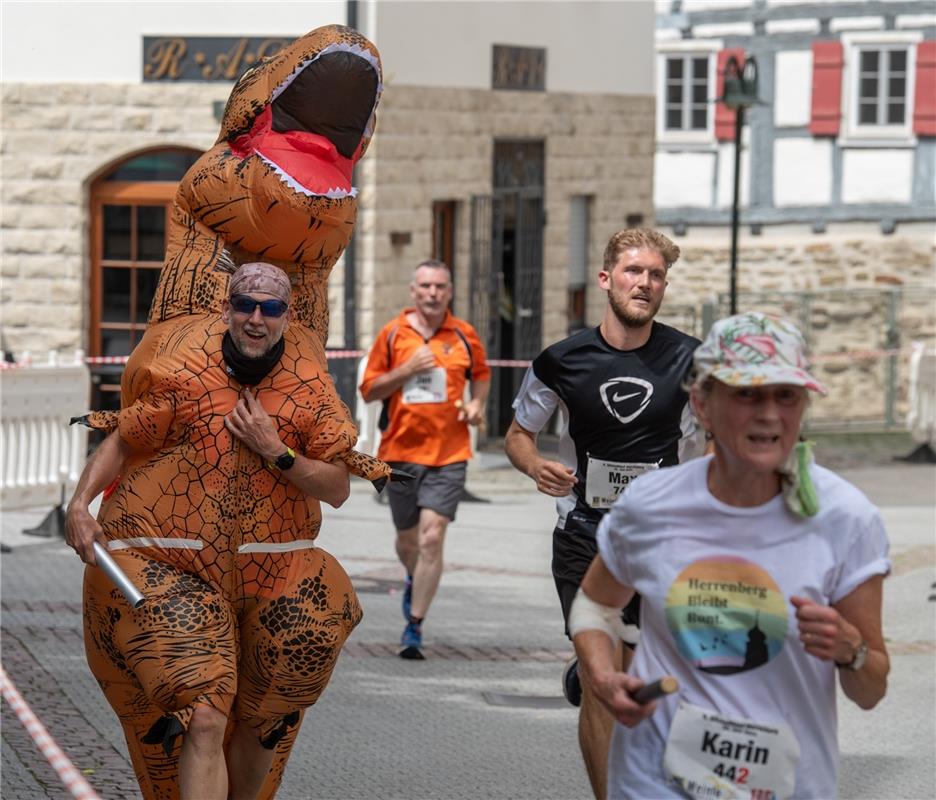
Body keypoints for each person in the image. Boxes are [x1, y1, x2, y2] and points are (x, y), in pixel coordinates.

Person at [66, 262, 379, 800]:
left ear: (286, 316)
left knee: (265, 721)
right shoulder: (187, 373)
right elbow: (124, 436)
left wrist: (275, 451)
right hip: (177, 570)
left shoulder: (309, 389)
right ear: (228, 308)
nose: (256, 319)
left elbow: (337, 487)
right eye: (245, 305)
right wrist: (78, 504)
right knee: (205, 714)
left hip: (273, 575)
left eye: (271, 308)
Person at [571, 312, 890, 800]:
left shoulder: (845, 518)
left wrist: (851, 650)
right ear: (702, 403)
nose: (768, 414)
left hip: (783, 786)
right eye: (747, 394)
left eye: (786, 395)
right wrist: (600, 673)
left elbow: (870, 690)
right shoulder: (651, 505)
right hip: (653, 778)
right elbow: (596, 604)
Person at [504, 227, 701, 798]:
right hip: (585, 537)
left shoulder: (690, 359)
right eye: (634, 271)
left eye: (656, 274)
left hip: (661, 542)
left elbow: (709, 444)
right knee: (601, 682)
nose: (645, 283)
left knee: (650, 682)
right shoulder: (562, 361)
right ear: (606, 279)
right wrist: (533, 465)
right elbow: (520, 434)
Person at [360, 259, 490, 659]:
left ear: (449, 291)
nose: (433, 293)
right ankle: (415, 576)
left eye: (440, 286)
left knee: (432, 537)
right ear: (413, 292)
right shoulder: (392, 334)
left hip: (449, 454)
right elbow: (369, 392)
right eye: (426, 286)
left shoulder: (464, 335)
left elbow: (481, 376)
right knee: (408, 540)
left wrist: (477, 405)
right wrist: (407, 369)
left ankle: (414, 626)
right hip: (399, 453)